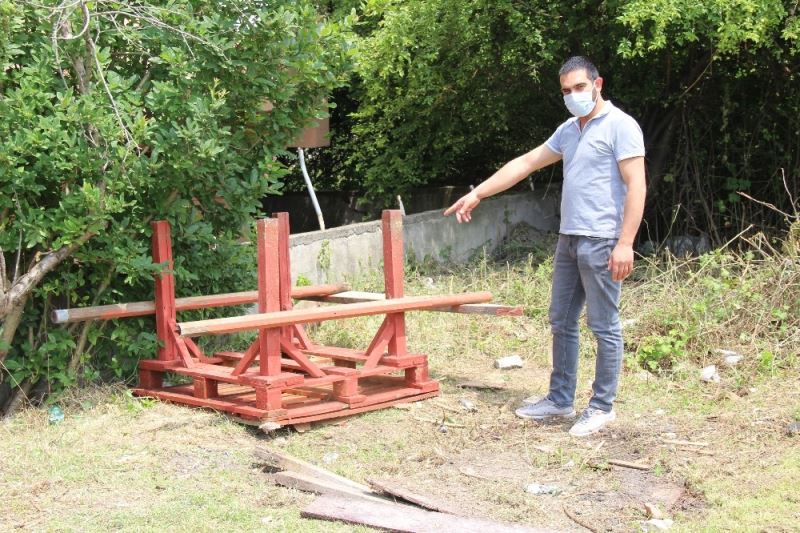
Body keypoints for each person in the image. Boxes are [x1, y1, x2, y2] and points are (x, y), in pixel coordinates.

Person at [444, 56, 646, 437]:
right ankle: (560, 399)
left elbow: (637, 184)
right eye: (566, 91)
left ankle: (602, 406)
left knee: (604, 325)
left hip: (603, 241)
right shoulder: (569, 130)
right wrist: (478, 193)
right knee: (561, 320)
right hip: (569, 239)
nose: (573, 95)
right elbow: (526, 163)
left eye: (580, 87)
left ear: (598, 84)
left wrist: (625, 243)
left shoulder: (621, 126)